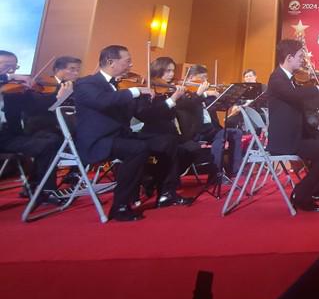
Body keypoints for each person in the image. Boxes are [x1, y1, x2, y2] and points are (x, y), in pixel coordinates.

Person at [72, 45, 193, 221]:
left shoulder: (122, 86)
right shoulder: (86, 83)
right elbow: (102, 101)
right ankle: (120, 206)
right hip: (99, 140)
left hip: (122, 137)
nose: (131, 65)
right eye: (127, 61)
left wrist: (168, 101)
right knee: (137, 149)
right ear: (111, 62)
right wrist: (135, 91)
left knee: (167, 141)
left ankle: (166, 194)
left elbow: (146, 115)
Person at [266, 39, 319, 212]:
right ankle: (301, 195)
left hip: (298, 133)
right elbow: (295, 95)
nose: (303, 60)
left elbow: (309, 105)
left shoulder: (290, 79)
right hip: (286, 138)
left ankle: (315, 184)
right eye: (300, 56)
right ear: (289, 57)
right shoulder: (277, 78)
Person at [0, 50, 64, 205]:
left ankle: (40, 189)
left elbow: (38, 105)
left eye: (14, 67)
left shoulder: (14, 89)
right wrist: (10, 77)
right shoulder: (9, 81)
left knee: (52, 139)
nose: (11, 70)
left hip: (9, 135)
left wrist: (59, 97)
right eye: (7, 66)